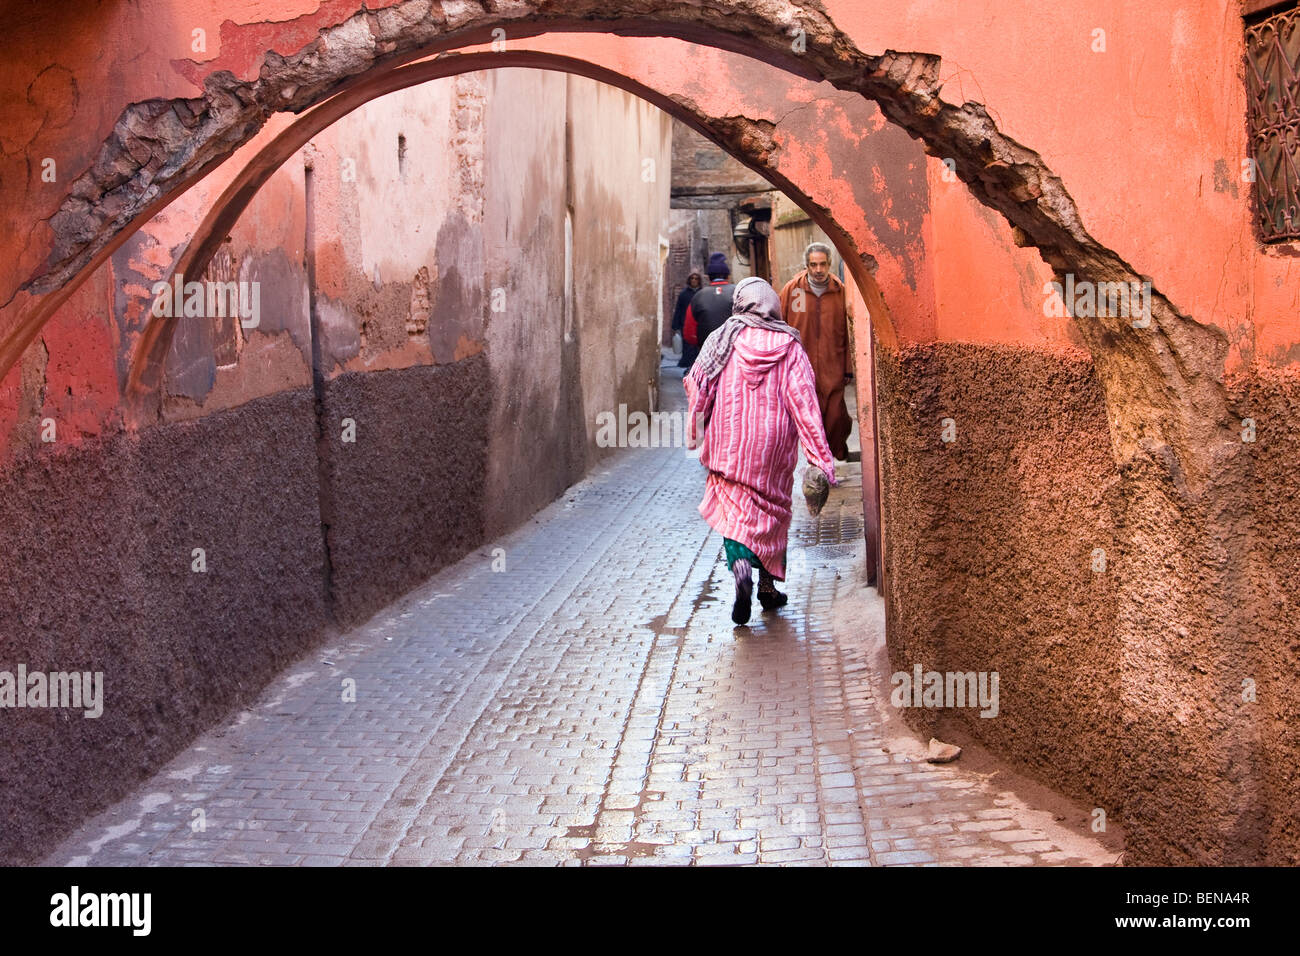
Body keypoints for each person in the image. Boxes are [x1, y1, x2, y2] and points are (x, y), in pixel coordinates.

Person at [685, 276, 838, 626]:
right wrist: (820, 460)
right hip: (773, 451)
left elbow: (699, 388)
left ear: (740, 303)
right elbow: (806, 406)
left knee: (734, 512)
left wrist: (695, 433)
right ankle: (768, 588)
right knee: (774, 514)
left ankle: (740, 568)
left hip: (729, 445)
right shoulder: (789, 345)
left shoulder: (722, 340)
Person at [778, 242, 854, 461]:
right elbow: (780, 328)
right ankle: (816, 460)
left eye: (822, 264)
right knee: (809, 419)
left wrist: (848, 368)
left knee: (836, 418)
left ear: (829, 264)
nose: (818, 270)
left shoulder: (840, 292)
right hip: (801, 367)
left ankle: (836, 455)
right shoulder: (793, 291)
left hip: (834, 366)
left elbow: (850, 333)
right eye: (813, 265)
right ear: (807, 266)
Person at [681, 253, 735, 369]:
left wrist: (702, 344)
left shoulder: (698, 296)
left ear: (708, 277)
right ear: (728, 276)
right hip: (734, 354)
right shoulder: (737, 292)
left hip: (707, 355)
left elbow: (689, 333)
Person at [672, 272, 702, 368]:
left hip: (699, 324)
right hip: (685, 324)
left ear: (699, 281)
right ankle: (688, 367)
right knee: (687, 347)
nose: (694, 280)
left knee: (698, 348)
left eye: (696, 278)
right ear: (689, 280)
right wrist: (675, 325)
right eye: (692, 278)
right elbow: (678, 309)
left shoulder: (702, 293)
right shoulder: (683, 294)